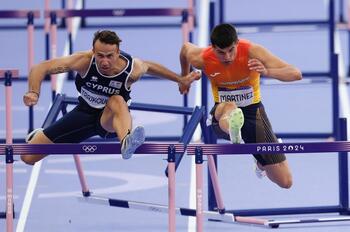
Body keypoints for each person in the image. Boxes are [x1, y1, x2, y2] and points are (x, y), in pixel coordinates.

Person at [21, 29, 200, 165]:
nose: (105, 61)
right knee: (27, 157)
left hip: (109, 120)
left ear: (118, 52)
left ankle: (126, 142)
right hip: (82, 114)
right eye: (100, 56)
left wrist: (180, 79)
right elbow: (41, 67)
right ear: (93, 51)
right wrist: (33, 92)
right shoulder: (84, 61)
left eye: (109, 56)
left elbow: (149, 66)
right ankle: (39, 135)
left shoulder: (131, 69)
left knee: (117, 100)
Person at [179, 23, 302, 189]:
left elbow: (295, 73)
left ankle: (260, 162)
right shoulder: (202, 57)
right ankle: (234, 132)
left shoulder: (252, 51)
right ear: (212, 47)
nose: (227, 56)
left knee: (285, 181)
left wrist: (267, 72)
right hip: (222, 111)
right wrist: (184, 77)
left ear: (237, 43)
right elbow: (185, 49)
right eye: (221, 52)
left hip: (253, 112)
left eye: (231, 50)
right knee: (230, 108)